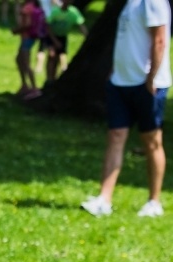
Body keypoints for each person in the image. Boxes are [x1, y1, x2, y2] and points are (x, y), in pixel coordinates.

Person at [81, 0, 171, 218]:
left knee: (151, 141)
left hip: (147, 85)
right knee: (115, 135)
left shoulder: (152, 1)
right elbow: (128, 40)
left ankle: (154, 202)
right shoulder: (130, 2)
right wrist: (115, 70)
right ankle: (104, 199)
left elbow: (159, 40)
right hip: (121, 81)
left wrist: (151, 79)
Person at [45, 0, 87, 84]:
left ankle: (54, 78)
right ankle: (49, 79)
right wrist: (55, 41)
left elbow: (81, 26)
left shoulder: (73, 12)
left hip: (62, 37)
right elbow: (47, 26)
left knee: (59, 57)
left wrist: (87, 36)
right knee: (52, 56)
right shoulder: (55, 11)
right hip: (52, 36)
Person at [12, 0, 44, 100]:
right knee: (19, 59)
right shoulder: (34, 7)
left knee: (26, 63)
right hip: (31, 38)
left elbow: (27, 24)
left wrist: (17, 30)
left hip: (27, 38)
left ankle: (34, 88)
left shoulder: (27, 8)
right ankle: (24, 85)